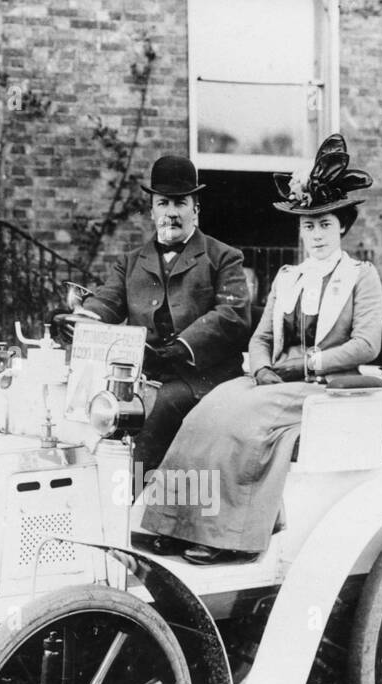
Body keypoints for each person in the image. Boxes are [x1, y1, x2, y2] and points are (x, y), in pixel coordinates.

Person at [139, 134, 382, 564]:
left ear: (342, 226)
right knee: (205, 411)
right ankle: (172, 524)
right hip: (275, 380)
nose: (317, 235)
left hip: (324, 385)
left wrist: (305, 364)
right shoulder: (291, 277)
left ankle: (224, 536)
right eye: (309, 225)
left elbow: (366, 343)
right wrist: (264, 365)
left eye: (326, 225)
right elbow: (262, 335)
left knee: (242, 423)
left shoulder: (361, 277)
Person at [74, 155, 250, 474]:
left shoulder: (223, 257)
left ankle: (130, 503)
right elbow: (107, 302)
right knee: (89, 414)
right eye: (163, 203)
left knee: (151, 413)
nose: (171, 212)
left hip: (202, 379)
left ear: (196, 208)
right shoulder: (129, 263)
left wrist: (180, 348)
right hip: (146, 378)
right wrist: (83, 319)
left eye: (180, 203)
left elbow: (232, 315)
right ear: (152, 210)